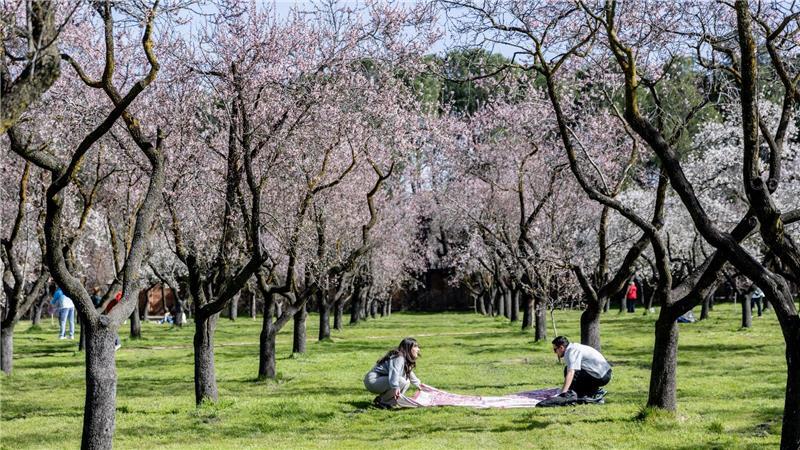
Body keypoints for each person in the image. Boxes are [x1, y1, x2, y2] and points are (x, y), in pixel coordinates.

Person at [364, 337, 422, 408]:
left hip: (381, 379)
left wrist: (420, 386)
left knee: (406, 381)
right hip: (373, 380)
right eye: (415, 347)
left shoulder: (404, 358)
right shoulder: (399, 357)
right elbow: (394, 372)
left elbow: (410, 374)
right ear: (408, 348)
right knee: (402, 381)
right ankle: (383, 402)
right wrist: (395, 387)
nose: (418, 349)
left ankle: (387, 401)